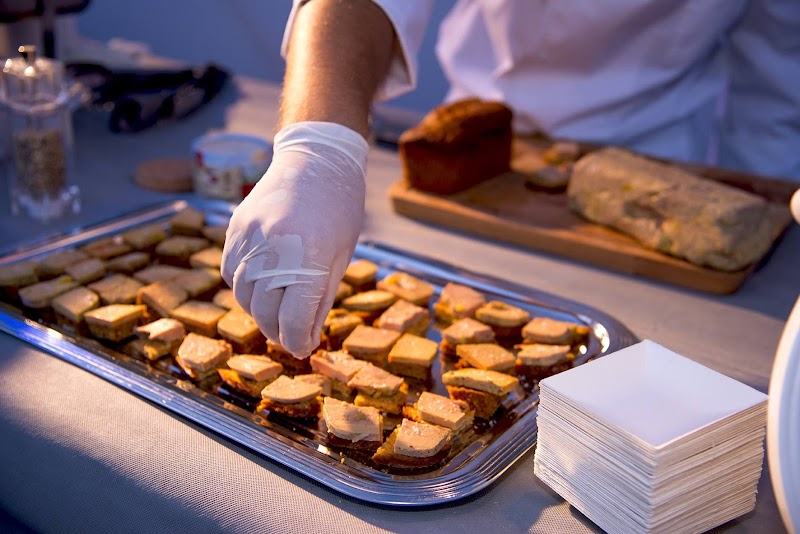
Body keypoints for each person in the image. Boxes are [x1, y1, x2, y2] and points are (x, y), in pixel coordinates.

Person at [221, 0, 800, 359]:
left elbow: (781, 64)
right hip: (476, 140)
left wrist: (759, 214)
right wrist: (320, 145)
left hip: (661, 144)